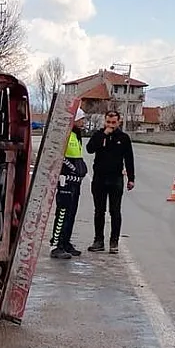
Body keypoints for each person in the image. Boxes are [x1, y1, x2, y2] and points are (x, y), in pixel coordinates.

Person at [85, 110, 135, 254]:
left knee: (115, 211)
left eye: (113, 122)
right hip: (99, 178)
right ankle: (98, 240)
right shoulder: (98, 135)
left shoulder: (124, 138)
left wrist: (131, 179)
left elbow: (129, 159)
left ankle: (114, 242)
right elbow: (89, 149)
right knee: (99, 211)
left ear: (118, 122)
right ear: (104, 121)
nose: (111, 125)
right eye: (108, 122)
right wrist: (104, 135)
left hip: (116, 179)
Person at [50, 108, 89, 259]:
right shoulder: (65, 135)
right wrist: (72, 169)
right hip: (65, 181)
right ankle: (56, 245)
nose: (83, 122)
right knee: (62, 212)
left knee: (71, 213)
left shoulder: (76, 135)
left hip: (75, 182)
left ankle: (65, 242)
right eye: (81, 119)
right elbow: (59, 156)